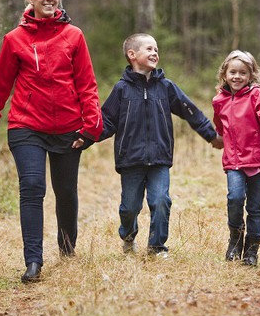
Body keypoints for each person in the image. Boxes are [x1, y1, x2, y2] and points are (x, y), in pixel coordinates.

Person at [0, 0, 103, 283]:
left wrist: (91, 127)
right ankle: (33, 261)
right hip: (26, 125)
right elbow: (0, 86)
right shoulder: (14, 40)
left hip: (67, 125)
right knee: (32, 188)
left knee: (65, 192)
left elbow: (86, 84)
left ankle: (67, 248)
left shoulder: (74, 36)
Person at [95, 33, 223, 256]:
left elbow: (190, 110)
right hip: (130, 159)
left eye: (156, 49)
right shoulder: (121, 90)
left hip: (160, 158)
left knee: (161, 200)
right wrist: (85, 137)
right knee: (129, 207)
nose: (155, 53)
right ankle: (128, 235)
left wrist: (211, 135)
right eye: (149, 49)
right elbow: (106, 121)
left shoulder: (166, 87)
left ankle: (156, 247)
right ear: (132, 55)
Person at [212, 50, 260, 266]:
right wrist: (218, 138)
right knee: (235, 198)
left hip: (258, 160)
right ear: (225, 74)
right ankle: (235, 239)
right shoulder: (219, 100)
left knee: (255, 207)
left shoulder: (257, 95)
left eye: (242, 73)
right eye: (233, 72)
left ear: (250, 76)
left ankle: (252, 249)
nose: (237, 77)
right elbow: (220, 127)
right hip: (233, 161)